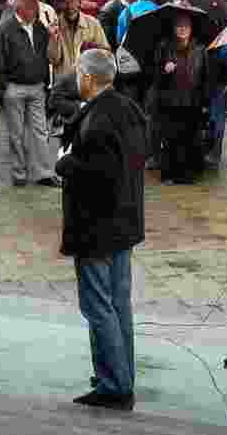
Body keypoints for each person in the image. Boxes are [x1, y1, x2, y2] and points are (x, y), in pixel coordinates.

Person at [56, 49, 147, 411]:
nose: (76, 78)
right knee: (118, 304)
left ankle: (115, 384)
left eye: (78, 73)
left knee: (99, 306)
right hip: (124, 223)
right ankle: (119, 373)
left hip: (98, 228)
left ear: (89, 78)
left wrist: (66, 164)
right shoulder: (129, 109)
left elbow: (100, 175)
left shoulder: (98, 119)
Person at [0, 0, 60, 188]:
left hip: (37, 86)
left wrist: (53, 38)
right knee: (16, 134)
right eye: (31, 3)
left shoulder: (40, 28)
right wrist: (4, 88)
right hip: (14, 87)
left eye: (36, 3)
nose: (35, 7)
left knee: (40, 131)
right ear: (20, 7)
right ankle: (19, 172)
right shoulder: (4, 29)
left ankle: (43, 172)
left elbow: (50, 57)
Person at [155, 13, 209, 185]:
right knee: (171, 139)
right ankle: (170, 174)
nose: (182, 29)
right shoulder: (164, 47)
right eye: (179, 26)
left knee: (190, 138)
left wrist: (205, 102)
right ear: (173, 29)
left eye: (186, 26)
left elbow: (205, 77)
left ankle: (187, 174)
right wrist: (165, 71)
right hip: (170, 101)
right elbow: (155, 77)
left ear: (191, 29)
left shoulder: (200, 49)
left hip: (192, 101)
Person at [49, 0, 110, 78]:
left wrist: (91, 49)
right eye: (65, 2)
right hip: (63, 85)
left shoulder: (93, 24)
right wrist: (53, 38)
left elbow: (106, 54)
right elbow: (53, 60)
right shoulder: (54, 27)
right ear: (59, 4)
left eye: (73, 2)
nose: (70, 7)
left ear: (79, 2)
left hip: (88, 81)